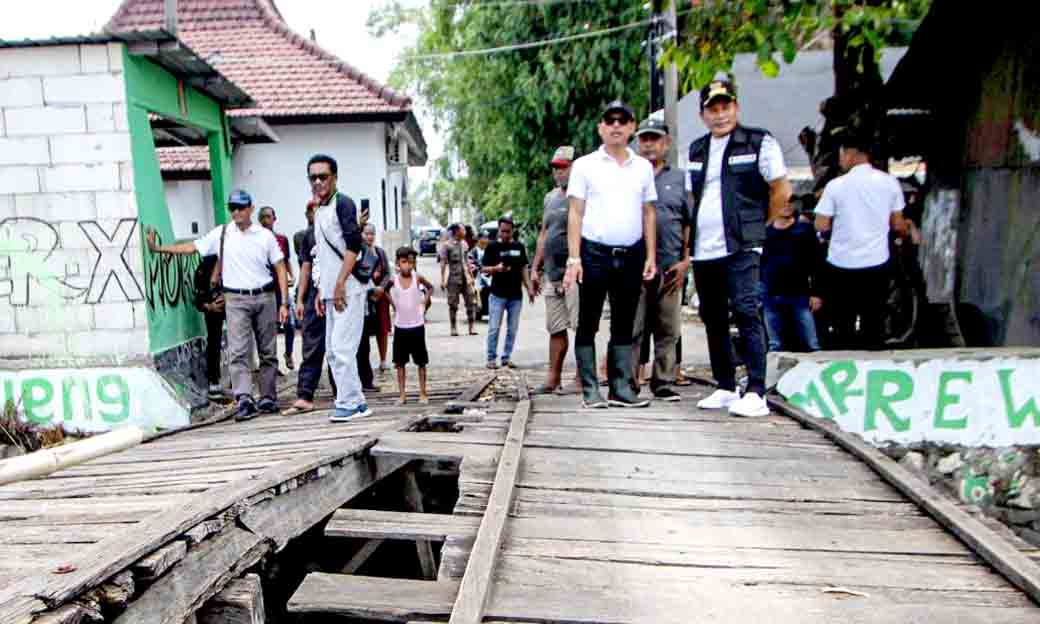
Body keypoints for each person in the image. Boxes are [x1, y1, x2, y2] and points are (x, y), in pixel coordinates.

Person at [687, 79, 792, 418]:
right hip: (705, 249)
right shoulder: (698, 148)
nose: (720, 115)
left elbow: (780, 190)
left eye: (725, 107)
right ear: (703, 114)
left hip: (742, 245)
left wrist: (758, 229)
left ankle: (756, 390)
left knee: (747, 310)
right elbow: (695, 195)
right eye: (712, 109)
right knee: (713, 316)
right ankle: (725, 385)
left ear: (736, 107)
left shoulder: (759, 141)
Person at [147, 190, 289, 421]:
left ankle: (268, 397)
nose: (236, 212)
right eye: (232, 207)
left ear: (251, 209)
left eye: (241, 208)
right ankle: (244, 398)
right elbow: (192, 247)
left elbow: (280, 267)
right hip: (235, 299)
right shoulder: (222, 234)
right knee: (238, 351)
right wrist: (159, 249)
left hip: (265, 296)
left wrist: (284, 302)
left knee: (267, 350)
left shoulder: (264, 236)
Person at [563, 100, 657, 409]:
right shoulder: (585, 165)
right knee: (588, 322)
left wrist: (651, 256)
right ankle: (591, 389)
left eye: (623, 120)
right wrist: (574, 258)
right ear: (600, 127)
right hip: (594, 254)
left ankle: (621, 388)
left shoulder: (642, 167)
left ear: (632, 127)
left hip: (631, 254)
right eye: (610, 120)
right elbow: (575, 213)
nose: (616, 126)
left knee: (624, 324)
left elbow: (648, 213)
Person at [814, 132, 907, 350]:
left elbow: (821, 225)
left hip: (840, 264)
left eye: (840, 154)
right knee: (873, 322)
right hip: (876, 263)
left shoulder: (836, 185)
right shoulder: (889, 183)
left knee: (841, 324)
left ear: (850, 154)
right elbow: (897, 224)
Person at [308, 153, 374, 422]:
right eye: (313, 177)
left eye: (323, 176)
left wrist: (338, 285)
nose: (318, 182)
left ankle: (348, 402)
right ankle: (355, 401)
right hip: (330, 291)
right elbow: (322, 253)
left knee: (342, 348)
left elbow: (353, 246)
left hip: (348, 289)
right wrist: (322, 291)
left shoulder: (343, 204)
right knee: (334, 351)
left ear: (334, 177)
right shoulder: (320, 209)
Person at [631, 118, 690, 402]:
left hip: (670, 266)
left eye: (655, 139)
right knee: (633, 326)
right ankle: (628, 381)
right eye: (644, 139)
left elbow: (689, 223)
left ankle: (663, 381)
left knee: (668, 328)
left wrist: (686, 261)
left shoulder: (679, 178)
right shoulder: (628, 176)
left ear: (666, 144)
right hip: (635, 266)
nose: (649, 145)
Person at [531, 145, 581, 394]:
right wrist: (534, 268)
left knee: (581, 327)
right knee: (556, 327)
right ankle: (553, 377)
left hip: (575, 273)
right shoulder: (550, 198)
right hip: (552, 274)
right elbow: (544, 234)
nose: (558, 172)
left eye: (563, 167)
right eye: (555, 168)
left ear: (574, 166)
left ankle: (584, 378)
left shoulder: (583, 195)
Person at [285, 199, 337, 415]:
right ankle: (305, 395)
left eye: (318, 209)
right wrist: (300, 299)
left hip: (336, 292)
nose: (314, 213)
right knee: (312, 346)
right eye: (311, 210)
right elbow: (305, 267)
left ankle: (343, 393)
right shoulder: (307, 236)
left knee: (338, 346)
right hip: (314, 294)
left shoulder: (337, 231)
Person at [762, 196, 822, 352]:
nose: (787, 206)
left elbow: (816, 263)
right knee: (775, 345)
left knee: (811, 342)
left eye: (790, 202)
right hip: (771, 293)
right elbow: (760, 264)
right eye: (783, 202)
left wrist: (816, 293)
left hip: (799, 293)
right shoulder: (765, 233)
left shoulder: (804, 230)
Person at [376, 247, 435, 405]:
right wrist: (393, 304)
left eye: (411, 262)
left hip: (417, 325)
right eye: (404, 262)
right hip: (400, 326)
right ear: (397, 263)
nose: (407, 266)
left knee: (421, 362)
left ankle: (423, 393)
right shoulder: (393, 280)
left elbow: (431, 288)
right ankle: (402, 395)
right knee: (400, 363)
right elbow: (384, 290)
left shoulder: (418, 278)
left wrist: (425, 300)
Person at [482, 217, 533, 369]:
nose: (505, 234)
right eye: (502, 231)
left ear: (512, 231)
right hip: (497, 294)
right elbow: (484, 268)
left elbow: (524, 269)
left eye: (508, 231)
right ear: (499, 230)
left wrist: (529, 287)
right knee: (494, 328)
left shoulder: (519, 247)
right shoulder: (492, 247)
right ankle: (491, 358)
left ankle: (506, 357)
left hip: (515, 295)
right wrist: (496, 269)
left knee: (512, 328)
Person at [258, 206, 296, 371]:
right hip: (266, 290)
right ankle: (269, 363)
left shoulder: (281, 239)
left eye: (269, 216)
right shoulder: (256, 240)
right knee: (268, 328)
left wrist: (291, 275)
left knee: (290, 324)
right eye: (263, 217)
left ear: (274, 218)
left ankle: (288, 353)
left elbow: (285, 260)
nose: (266, 220)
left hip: (281, 289)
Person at [357, 223, 390, 391]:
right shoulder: (357, 252)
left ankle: (381, 363)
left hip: (378, 297)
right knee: (361, 341)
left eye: (372, 234)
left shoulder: (379, 253)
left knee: (380, 330)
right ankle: (361, 380)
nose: (369, 237)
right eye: (366, 233)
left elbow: (387, 273)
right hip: (361, 298)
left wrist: (381, 288)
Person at [192, 253, 226, 402]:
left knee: (240, 342)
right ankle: (214, 382)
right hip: (215, 309)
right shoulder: (206, 265)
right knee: (214, 342)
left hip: (237, 305)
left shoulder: (237, 258)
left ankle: (240, 386)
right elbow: (198, 297)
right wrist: (208, 306)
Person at [440, 223, 477, 336]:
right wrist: (443, 280)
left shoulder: (464, 244)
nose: (465, 232)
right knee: (453, 304)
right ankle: (453, 327)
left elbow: (467, 262)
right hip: (453, 278)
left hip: (466, 278)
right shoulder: (447, 245)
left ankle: (471, 327)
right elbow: (443, 263)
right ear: (457, 231)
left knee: (471, 302)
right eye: (463, 230)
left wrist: (471, 276)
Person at [468, 232, 492, 320]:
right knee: (477, 294)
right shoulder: (473, 251)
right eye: (484, 238)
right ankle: (478, 312)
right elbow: (470, 263)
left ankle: (488, 311)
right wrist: (477, 267)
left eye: (487, 238)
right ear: (479, 239)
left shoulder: (490, 250)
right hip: (477, 277)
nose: (486, 240)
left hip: (488, 276)